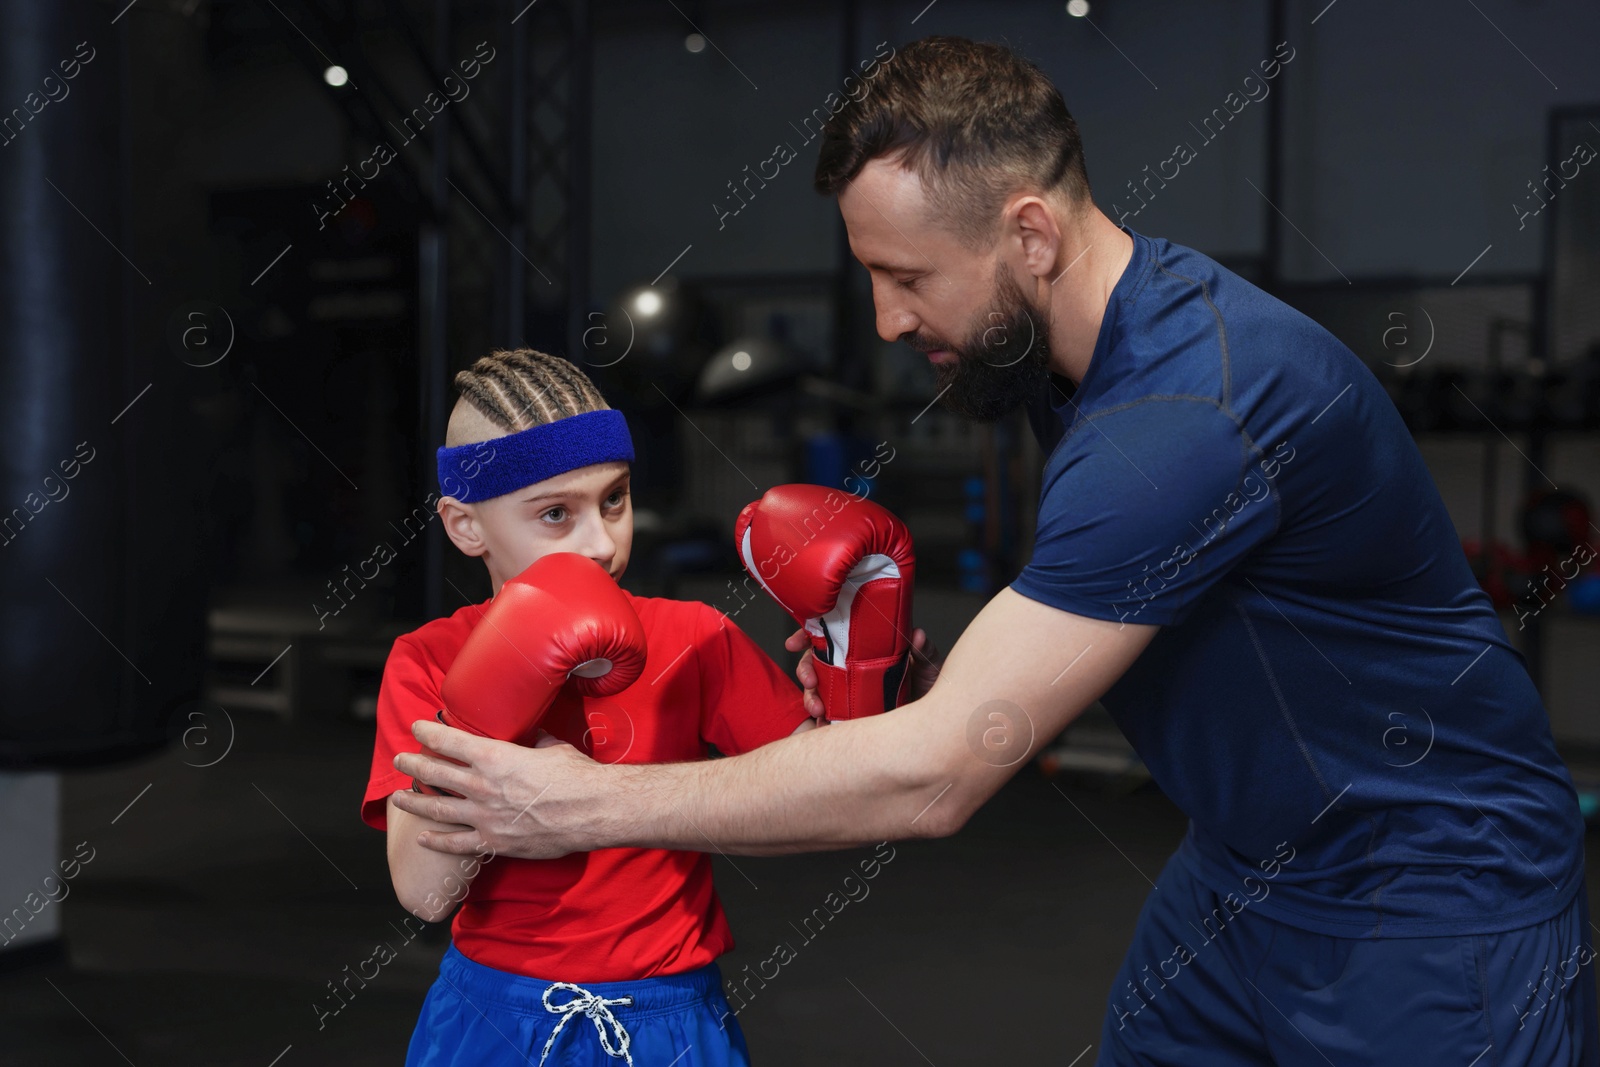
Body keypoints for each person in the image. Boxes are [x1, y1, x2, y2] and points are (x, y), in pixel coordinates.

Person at [391, 37, 1596, 1066]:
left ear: (1028, 233)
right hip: (1247, 867)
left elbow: (937, 777)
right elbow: (1053, 644)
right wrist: (896, 679)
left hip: (1433, 892)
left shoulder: (1189, 413)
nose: (886, 318)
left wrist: (586, 802)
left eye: (906, 277)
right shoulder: (1070, 354)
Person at [364, 348, 836, 1067]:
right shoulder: (429, 659)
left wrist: (859, 660)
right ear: (466, 527)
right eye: (556, 513)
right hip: (493, 1018)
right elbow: (425, 894)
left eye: (614, 499)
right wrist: (489, 703)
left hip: (669, 1017)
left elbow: (830, 796)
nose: (600, 540)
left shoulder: (694, 636)